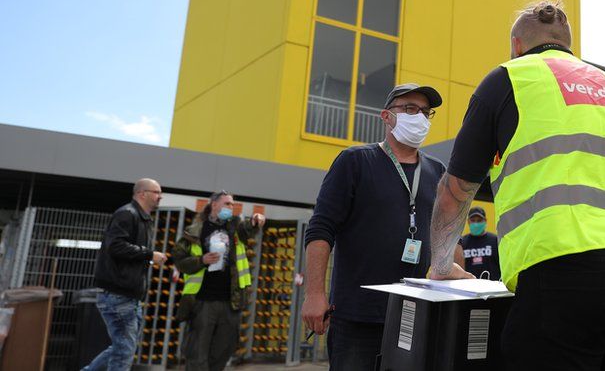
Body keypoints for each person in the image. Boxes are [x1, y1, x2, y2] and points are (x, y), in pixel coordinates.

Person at [429, 0, 605, 370]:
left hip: (563, 268)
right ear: (570, 45)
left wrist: (442, 263)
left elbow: (457, 189)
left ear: (516, 45)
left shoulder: (510, 78)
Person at [301, 83, 446, 371]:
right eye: (409, 109)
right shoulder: (355, 161)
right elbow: (321, 228)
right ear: (386, 116)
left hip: (414, 317)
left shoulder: (437, 172)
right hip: (357, 316)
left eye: (425, 112)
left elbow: (446, 237)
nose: (419, 117)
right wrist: (314, 294)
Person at [173, 191, 265, 371]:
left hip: (231, 302)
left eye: (232, 204)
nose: (231, 207)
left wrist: (256, 220)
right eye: (227, 204)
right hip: (203, 302)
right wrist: (202, 261)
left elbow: (249, 228)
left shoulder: (235, 228)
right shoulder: (195, 230)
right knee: (197, 351)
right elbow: (179, 260)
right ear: (214, 204)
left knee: (224, 349)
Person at [83, 178, 166, 371]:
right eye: (156, 192)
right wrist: (149, 254)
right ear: (141, 194)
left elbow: (126, 250)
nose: (159, 196)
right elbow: (116, 246)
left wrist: (147, 256)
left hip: (128, 296)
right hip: (119, 295)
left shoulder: (142, 218)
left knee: (122, 347)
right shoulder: (127, 214)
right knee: (124, 350)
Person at [458, 206, 501, 280]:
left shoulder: (495, 240)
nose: (476, 223)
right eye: (473, 220)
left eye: (479, 220)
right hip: (469, 287)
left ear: (485, 221)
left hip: (492, 287)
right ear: (468, 221)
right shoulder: (462, 243)